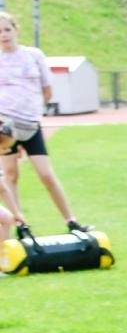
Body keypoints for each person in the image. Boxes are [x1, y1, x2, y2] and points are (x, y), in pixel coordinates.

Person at [0, 12, 87, 233]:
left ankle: (71, 221)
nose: (3, 35)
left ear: (16, 29)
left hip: (30, 123)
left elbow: (47, 89)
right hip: (6, 125)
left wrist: (37, 109)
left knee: (46, 174)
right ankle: (22, 224)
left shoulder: (33, 55)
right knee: (10, 175)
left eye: (7, 29)